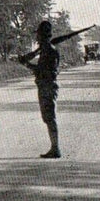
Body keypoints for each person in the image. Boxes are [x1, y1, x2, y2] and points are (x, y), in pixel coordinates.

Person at [18, 20, 61, 159]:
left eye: (38, 35)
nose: (36, 38)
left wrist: (26, 64)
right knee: (47, 117)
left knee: (49, 117)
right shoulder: (47, 50)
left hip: (47, 86)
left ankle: (55, 148)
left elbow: (42, 70)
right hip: (45, 86)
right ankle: (54, 147)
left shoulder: (50, 51)